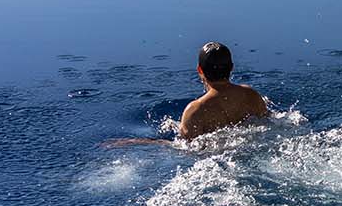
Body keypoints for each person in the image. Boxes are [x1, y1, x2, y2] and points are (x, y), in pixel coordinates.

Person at [109, 42, 269, 146]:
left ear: (200, 70)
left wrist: (139, 142)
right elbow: (270, 124)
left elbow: (185, 148)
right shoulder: (251, 95)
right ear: (232, 67)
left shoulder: (196, 110)